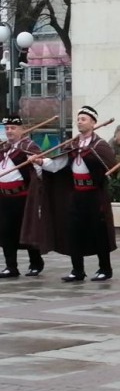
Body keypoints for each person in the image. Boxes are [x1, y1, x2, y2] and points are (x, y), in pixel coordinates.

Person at [31, 106, 116, 281]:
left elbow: (109, 167)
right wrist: (40, 161)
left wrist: (89, 153)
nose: (80, 122)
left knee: (99, 232)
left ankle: (105, 269)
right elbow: (57, 164)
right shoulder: (72, 144)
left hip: (95, 194)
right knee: (74, 232)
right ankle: (77, 270)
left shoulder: (99, 145)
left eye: (83, 119)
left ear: (93, 123)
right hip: (77, 193)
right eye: (78, 119)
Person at [0, 115, 45, 278]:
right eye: (7, 128)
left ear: (22, 130)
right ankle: (11, 266)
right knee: (6, 232)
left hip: (23, 196)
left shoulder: (29, 146)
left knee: (26, 229)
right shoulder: (3, 148)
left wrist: (34, 161)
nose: (9, 131)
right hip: (4, 197)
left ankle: (36, 263)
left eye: (13, 128)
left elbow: (40, 170)